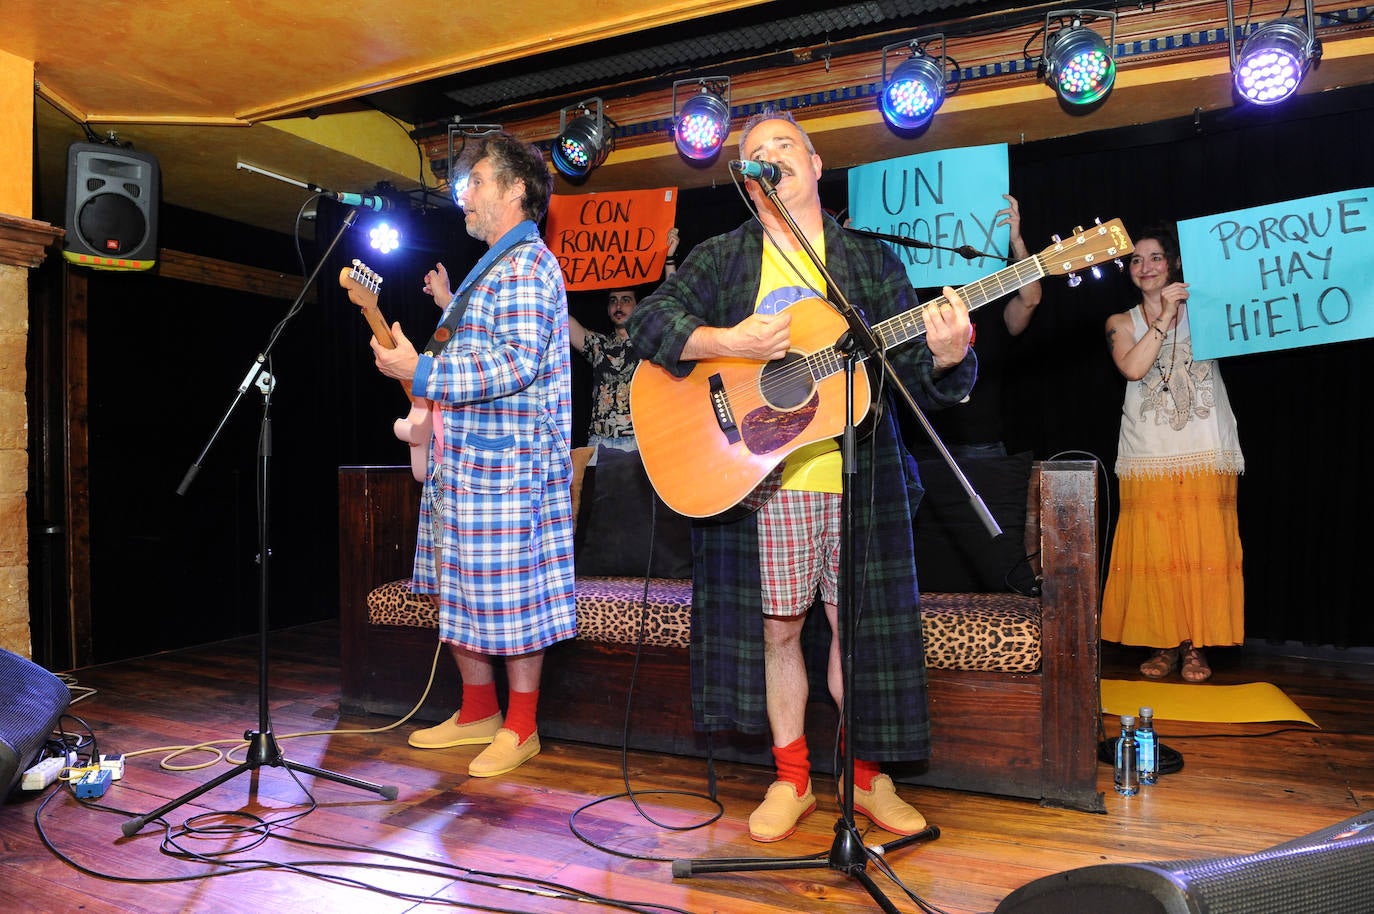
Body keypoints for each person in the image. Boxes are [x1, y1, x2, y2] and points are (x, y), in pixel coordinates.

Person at [627, 108, 976, 843]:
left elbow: (911, 372)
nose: (769, 157)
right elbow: (649, 323)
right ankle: (792, 778)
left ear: (816, 166)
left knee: (862, 636)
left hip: (863, 481)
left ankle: (864, 776)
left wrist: (946, 355)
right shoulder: (724, 259)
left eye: (783, 146)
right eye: (755, 153)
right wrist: (728, 339)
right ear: (747, 182)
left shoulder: (870, 263)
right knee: (779, 633)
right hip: (767, 484)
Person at [370, 131, 576, 776]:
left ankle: (522, 726)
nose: (467, 192)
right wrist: (416, 363)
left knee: (514, 601)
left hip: (511, 475)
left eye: (478, 179)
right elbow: (461, 362)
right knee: (457, 593)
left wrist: (422, 372)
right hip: (463, 472)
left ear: (518, 189)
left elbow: (512, 365)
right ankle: (478, 710)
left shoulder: (529, 265)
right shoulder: (485, 274)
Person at [1101, 225, 1244, 684]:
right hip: (1150, 454)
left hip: (1205, 449)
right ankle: (1163, 642)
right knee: (1158, 553)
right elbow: (1134, 367)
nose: (1145, 267)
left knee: (1203, 549)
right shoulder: (1119, 322)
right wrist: (1162, 316)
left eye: (1155, 257)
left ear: (1174, 263)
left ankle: (1195, 646)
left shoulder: (1207, 309)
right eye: (1136, 260)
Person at [912, 194, 1042, 460]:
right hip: (923, 448)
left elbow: (1030, 299)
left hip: (982, 446)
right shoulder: (918, 303)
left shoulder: (994, 306)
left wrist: (1015, 241)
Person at [568, 228, 679, 452]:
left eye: (626, 300)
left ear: (638, 306)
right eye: (613, 301)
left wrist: (669, 258)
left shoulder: (651, 341)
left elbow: (674, 305)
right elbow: (562, 319)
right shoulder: (598, 346)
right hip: (600, 444)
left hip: (640, 443)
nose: (618, 306)